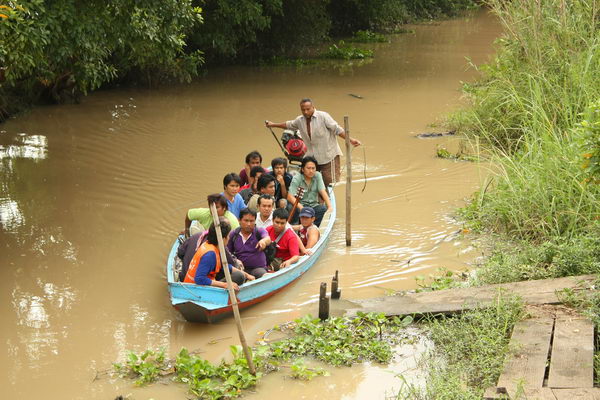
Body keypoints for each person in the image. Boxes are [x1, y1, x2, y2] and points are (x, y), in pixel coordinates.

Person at [265, 98, 361, 186]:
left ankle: (327, 201)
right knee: (310, 181)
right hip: (312, 157)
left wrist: (350, 139)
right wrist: (273, 125)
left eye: (308, 109)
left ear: (313, 107)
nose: (306, 112)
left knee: (329, 181)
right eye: (303, 110)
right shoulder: (300, 120)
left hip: (328, 156)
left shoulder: (323, 116)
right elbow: (288, 125)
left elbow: (337, 130)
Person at [183, 218, 255, 290]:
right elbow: (199, 279)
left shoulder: (210, 245)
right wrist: (225, 285)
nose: (229, 238)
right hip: (196, 289)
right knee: (239, 276)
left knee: (241, 274)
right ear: (223, 239)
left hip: (201, 285)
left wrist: (247, 275)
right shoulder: (210, 254)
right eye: (228, 236)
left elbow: (224, 267)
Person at [227, 208, 271, 279]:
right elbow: (228, 253)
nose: (249, 224)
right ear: (239, 220)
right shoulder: (234, 234)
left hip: (258, 268)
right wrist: (235, 260)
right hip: (240, 269)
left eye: (251, 221)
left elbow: (268, 239)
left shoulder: (259, 231)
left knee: (263, 275)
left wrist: (263, 241)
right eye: (246, 220)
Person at [288, 156, 332, 226]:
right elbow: (290, 196)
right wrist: (302, 208)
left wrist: (330, 206)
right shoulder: (297, 178)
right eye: (308, 168)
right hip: (301, 206)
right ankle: (296, 228)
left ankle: (314, 227)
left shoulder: (318, 175)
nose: (311, 171)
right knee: (291, 208)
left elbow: (322, 191)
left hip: (313, 206)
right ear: (302, 169)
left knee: (323, 209)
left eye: (313, 168)